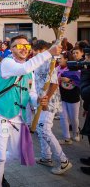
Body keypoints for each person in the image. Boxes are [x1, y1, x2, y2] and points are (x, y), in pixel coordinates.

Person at [0, 35, 62, 187]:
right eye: (20, 46)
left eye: (27, 46)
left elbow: (31, 93)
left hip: (18, 118)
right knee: (1, 157)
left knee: (16, 153)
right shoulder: (7, 63)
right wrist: (49, 52)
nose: (24, 49)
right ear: (12, 49)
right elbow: (23, 68)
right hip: (1, 115)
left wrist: (38, 100)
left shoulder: (30, 72)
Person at [33, 40, 72, 175]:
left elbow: (54, 83)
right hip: (41, 101)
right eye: (35, 50)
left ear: (44, 50)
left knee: (45, 129)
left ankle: (63, 161)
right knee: (40, 128)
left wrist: (46, 99)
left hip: (49, 102)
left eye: (38, 51)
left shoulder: (49, 62)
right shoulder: (38, 63)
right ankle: (46, 157)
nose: (35, 53)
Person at [57, 51, 81, 144]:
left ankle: (76, 133)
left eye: (60, 58)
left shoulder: (74, 68)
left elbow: (79, 81)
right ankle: (66, 138)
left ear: (66, 59)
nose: (58, 60)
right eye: (58, 58)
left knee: (73, 118)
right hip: (62, 96)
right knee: (63, 117)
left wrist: (69, 80)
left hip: (73, 97)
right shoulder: (57, 69)